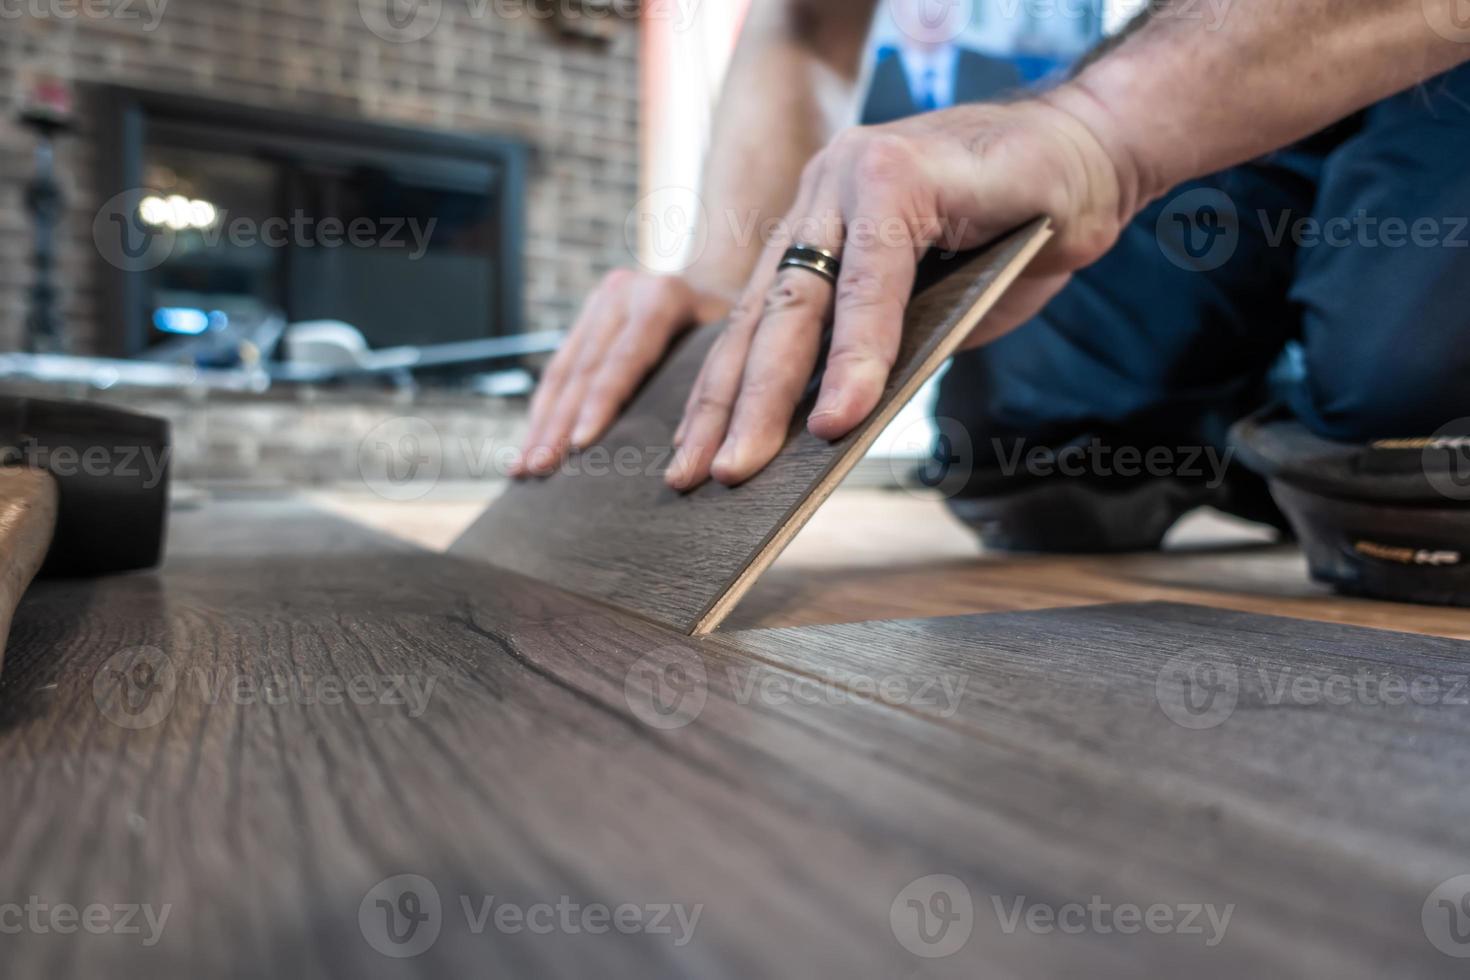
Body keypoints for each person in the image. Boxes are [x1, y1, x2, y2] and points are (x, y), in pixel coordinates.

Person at [512, 0, 1470, 604]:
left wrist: (1097, 132)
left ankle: (1326, 366)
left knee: (1400, 410)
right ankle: (1274, 405)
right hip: (1242, 54)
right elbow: (808, 23)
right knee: (1022, 447)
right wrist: (735, 296)